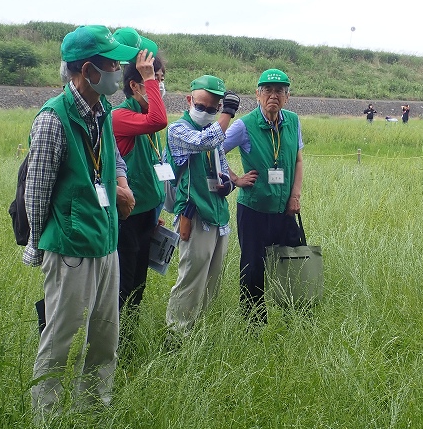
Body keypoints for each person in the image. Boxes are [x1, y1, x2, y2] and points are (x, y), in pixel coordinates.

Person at [24, 25, 138, 414]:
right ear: (88, 71)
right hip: (70, 247)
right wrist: (37, 246)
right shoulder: (52, 119)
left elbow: (114, 159)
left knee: (105, 338)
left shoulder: (102, 112)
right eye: (113, 65)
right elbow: (36, 192)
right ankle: (48, 423)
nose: (119, 72)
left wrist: (121, 183)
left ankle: (92, 414)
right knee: (62, 339)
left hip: (105, 241)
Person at [165, 75, 248, 338]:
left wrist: (230, 184)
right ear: (188, 100)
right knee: (191, 281)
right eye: (200, 106)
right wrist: (227, 113)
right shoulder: (178, 130)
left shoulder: (214, 131)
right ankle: (176, 336)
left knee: (212, 282)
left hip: (217, 214)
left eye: (212, 109)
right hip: (194, 215)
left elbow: (221, 164)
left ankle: (199, 334)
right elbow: (204, 142)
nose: (205, 112)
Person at [224, 69, 303, 324]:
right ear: (257, 95)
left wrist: (295, 195)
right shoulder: (244, 125)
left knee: (292, 263)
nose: (273, 95)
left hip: (285, 209)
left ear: (287, 97)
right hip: (254, 210)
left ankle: (295, 319)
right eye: (267, 90)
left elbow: (298, 160)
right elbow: (213, 151)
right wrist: (235, 179)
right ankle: (254, 325)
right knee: (253, 267)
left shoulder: (293, 121)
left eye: (279, 91)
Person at [111, 32, 168, 321]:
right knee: (124, 284)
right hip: (128, 217)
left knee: (139, 286)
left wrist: (156, 210)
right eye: (154, 79)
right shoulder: (120, 116)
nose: (159, 85)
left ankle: (128, 337)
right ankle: (113, 338)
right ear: (134, 85)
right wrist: (148, 77)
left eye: (160, 79)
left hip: (147, 214)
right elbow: (159, 120)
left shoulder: (143, 116)